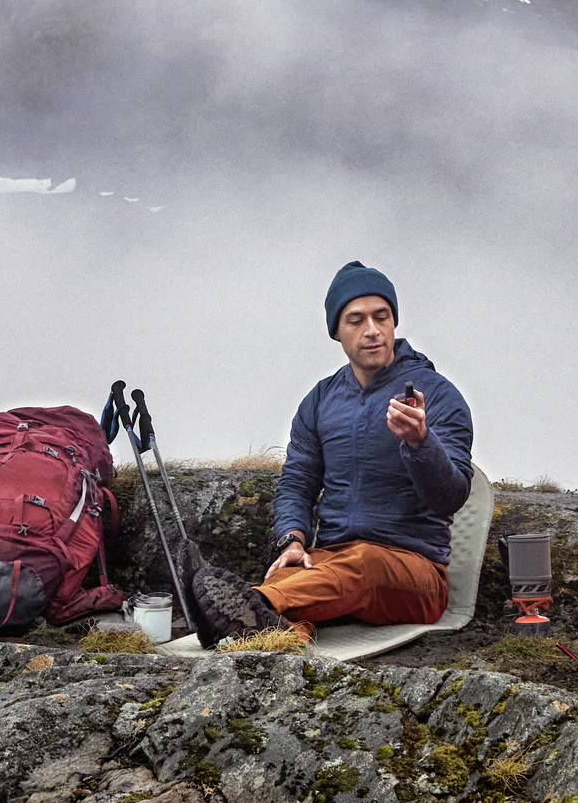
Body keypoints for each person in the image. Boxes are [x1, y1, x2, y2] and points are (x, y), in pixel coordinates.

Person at [188, 260, 474, 645]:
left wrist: (421, 442)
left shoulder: (437, 395)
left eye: (382, 317)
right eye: (356, 320)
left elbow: (450, 498)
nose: (372, 331)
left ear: (394, 323)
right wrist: (292, 539)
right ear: (336, 332)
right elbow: (297, 482)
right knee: (290, 577)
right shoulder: (321, 400)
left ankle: (254, 604)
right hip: (332, 560)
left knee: (366, 565)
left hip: (415, 572)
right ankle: (275, 634)